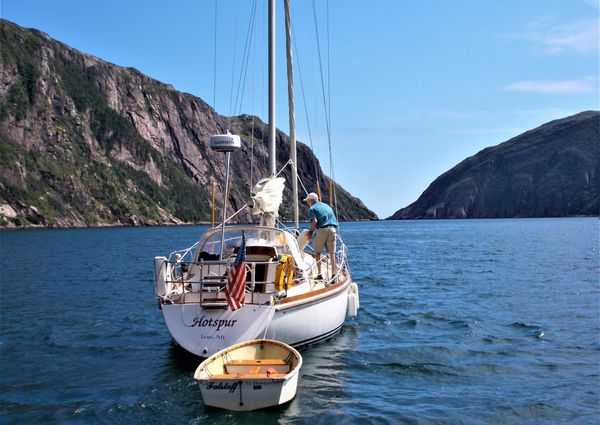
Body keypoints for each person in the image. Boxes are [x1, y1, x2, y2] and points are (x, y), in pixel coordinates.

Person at [304, 192, 338, 281]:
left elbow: (314, 221)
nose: (307, 203)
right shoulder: (326, 206)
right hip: (333, 229)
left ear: (311, 200)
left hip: (322, 230)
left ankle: (319, 274)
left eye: (307, 201)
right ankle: (334, 274)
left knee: (318, 252)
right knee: (332, 253)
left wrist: (310, 232)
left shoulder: (312, 209)